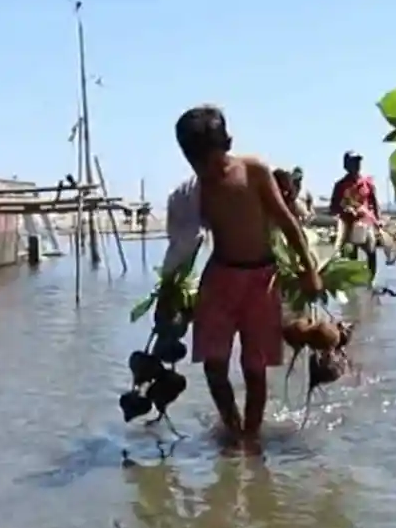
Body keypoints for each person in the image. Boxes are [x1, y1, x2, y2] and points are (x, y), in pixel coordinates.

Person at [159, 105, 322, 448]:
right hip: (220, 280)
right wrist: (168, 295)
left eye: (212, 161)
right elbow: (181, 245)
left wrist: (308, 268)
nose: (207, 170)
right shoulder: (193, 193)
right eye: (197, 164)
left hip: (262, 282)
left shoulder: (254, 171)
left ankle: (251, 435)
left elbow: (286, 221)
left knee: (255, 366)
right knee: (213, 363)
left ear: (227, 144)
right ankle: (232, 428)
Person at [328, 151, 381, 279]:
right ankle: (352, 283)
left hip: (365, 223)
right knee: (350, 255)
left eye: (358, 162)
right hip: (348, 225)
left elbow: (375, 204)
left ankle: (371, 280)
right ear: (346, 165)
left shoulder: (367, 183)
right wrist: (344, 210)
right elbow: (333, 207)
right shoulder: (340, 185)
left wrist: (378, 221)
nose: (356, 165)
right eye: (353, 162)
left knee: (371, 251)